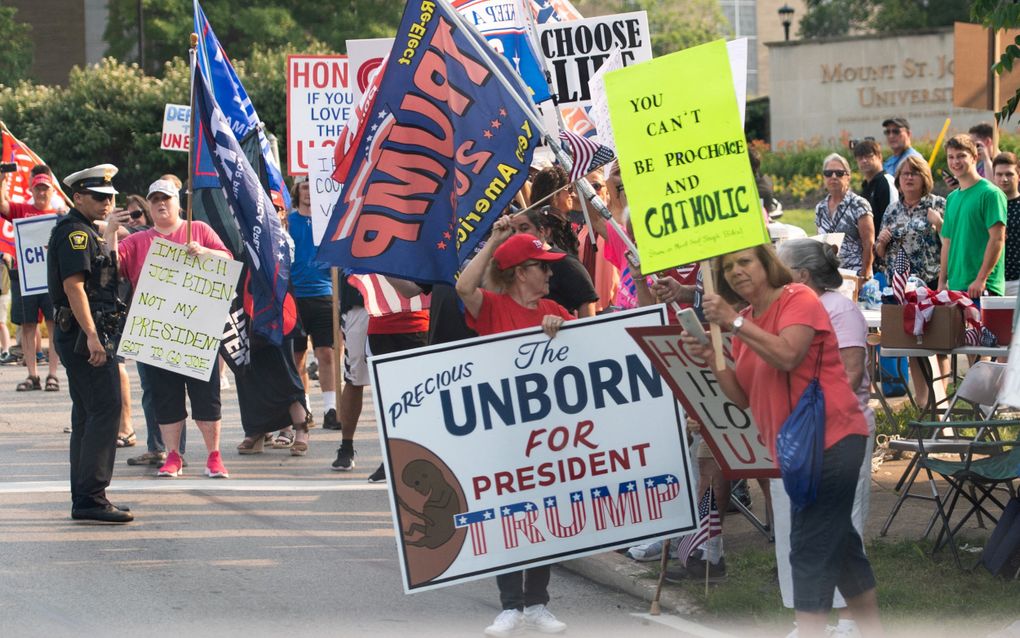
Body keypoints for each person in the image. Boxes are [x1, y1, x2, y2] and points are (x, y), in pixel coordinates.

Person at [682, 244, 881, 638]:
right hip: (796, 450)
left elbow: (789, 355)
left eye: (745, 261)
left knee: (807, 545)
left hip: (833, 437)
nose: (736, 271)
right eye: (728, 266)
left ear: (767, 264)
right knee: (840, 546)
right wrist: (712, 358)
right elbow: (743, 395)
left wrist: (734, 326)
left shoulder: (798, 298)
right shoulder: (744, 319)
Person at [455, 217, 571, 636]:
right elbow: (463, 288)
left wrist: (563, 331)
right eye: (542, 266)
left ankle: (538, 602)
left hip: (546, 437)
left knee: (542, 516)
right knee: (506, 517)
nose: (550, 272)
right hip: (502, 435)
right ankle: (511, 605)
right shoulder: (492, 307)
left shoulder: (554, 311)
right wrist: (494, 240)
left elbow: (587, 356)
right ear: (520, 272)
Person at [777, 239, 876, 638]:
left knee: (835, 527)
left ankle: (842, 622)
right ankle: (841, 622)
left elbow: (850, 373)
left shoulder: (840, 309)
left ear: (801, 275)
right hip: (806, 434)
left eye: (781, 269)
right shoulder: (793, 306)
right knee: (830, 533)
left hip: (840, 430)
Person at [105, 178, 233, 479]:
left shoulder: (198, 230)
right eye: (155, 199)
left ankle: (214, 456)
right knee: (166, 397)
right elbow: (111, 267)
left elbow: (227, 259)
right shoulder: (136, 241)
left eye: (167, 198)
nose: (161, 204)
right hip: (157, 333)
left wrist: (205, 252)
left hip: (196, 329)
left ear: (178, 202)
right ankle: (172, 455)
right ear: (149, 205)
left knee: (206, 396)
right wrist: (110, 231)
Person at [48, 163, 132, 524]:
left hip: (86, 333)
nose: (107, 203)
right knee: (105, 409)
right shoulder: (75, 235)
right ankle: (91, 497)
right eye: (98, 197)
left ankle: (85, 494)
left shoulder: (88, 232)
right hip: (86, 335)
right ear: (78, 196)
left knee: (87, 414)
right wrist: (94, 338)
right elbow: (74, 287)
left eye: (110, 197)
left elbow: (105, 278)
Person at [874, 156, 948, 408]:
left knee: (937, 343)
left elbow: (951, 240)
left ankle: (942, 398)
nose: (908, 177)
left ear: (924, 177)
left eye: (914, 173)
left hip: (930, 283)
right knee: (914, 346)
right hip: (902, 288)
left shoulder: (938, 204)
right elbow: (880, 253)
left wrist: (938, 224)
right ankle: (923, 400)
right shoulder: (892, 210)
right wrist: (881, 243)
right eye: (904, 174)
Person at [1, 167, 62, 392]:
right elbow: (2, 205)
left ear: (51, 190)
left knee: (54, 324)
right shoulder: (22, 210)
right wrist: (2, 180)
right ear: (31, 189)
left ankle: (53, 374)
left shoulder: (59, 215)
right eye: (38, 188)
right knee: (28, 325)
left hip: (50, 280)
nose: (41, 192)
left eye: (45, 188)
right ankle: (32, 375)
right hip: (25, 278)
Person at [287, 176, 339, 432]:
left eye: (313, 186)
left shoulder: (328, 221)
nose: (309, 191)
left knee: (326, 353)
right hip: (295, 297)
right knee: (297, 357)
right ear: (297, 190)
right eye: (304, 186)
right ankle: (304, 408)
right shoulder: (288, 221)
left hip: (324, 294)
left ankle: (331, 408)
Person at [938, 134, 1007, 299]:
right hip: (955, 287)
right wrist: (942, 282)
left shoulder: (991, 194)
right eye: (951, 157)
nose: (955, 162)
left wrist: (981, 279)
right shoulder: (952, 198)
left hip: (982, 288)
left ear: (975, 157)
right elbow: (947, 242)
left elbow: (997, 238)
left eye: (961, 156)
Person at [510, 208, 598, 316]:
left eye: (524, 228)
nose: (517, 235)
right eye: (513, 231)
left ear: (542, 231)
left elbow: (586, 303)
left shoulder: (565, 262)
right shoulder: (510, 264)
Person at [814, 153, 875, 280]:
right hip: (828, 276)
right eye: (828, 173)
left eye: (839, 173)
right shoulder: (820, 208)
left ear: (848, 177)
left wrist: (864, 277)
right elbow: (819, 245)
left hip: (855, 275)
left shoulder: (859, 204)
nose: (834, 176)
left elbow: (869, 245)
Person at [853, 139, 898, 234]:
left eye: (868, 156)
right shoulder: (866, 186)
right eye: (860, 158)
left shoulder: (886, 181)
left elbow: (894, 216)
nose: (864, 161)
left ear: (879, 157)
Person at [992, 152, 1020, 295]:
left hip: (1017, 280)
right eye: (999, 174)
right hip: (991, 280)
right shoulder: (988, 206)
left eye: (1009, 174)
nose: (1004, 179)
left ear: (1018, 175)